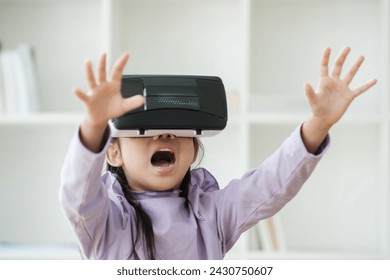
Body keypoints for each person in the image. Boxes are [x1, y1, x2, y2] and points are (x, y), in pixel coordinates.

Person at [59, 47, 377, 259]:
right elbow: (78, 196)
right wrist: (94, 124)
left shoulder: (211, 214)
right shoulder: (107, 224)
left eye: (177, 129)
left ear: (194, 146)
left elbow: (270, 184)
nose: (164, 134)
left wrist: (318, 124)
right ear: (112, 154)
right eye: (146, 131)